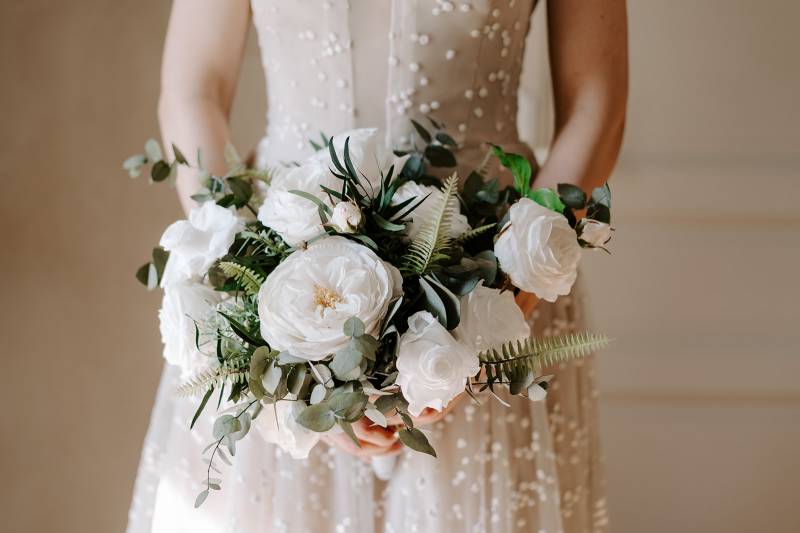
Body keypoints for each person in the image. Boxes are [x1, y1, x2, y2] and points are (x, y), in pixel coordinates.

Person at [128, 1, 627, 531]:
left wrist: (500, 302)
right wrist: (279, 328)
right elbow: (194, 88)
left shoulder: (503, 296)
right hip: (286, 279)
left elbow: (598, 102)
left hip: (494, 278)